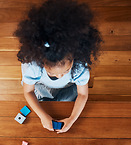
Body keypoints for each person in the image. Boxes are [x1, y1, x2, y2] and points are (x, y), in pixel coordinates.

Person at [14, 0, 102, 133]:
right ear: (41, 63)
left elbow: (83, 94)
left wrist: (72, 119)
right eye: (53, 74)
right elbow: (28, 91)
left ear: (73, 59)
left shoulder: (79, 65)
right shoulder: (32, 65)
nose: (60, 76)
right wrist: (43, 116)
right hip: (41, 88)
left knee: (67, 104)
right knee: (42, 102)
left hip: (68, 89)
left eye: (66, 71)